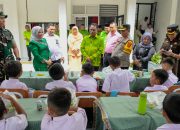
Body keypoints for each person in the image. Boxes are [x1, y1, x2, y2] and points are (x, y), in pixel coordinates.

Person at [0, 11, 20, 83]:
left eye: (4, 18)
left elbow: (14, 47)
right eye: (1, 18)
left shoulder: (7, 32)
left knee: (12, 83)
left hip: (10, 63)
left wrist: (17, 59)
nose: (4, 20)